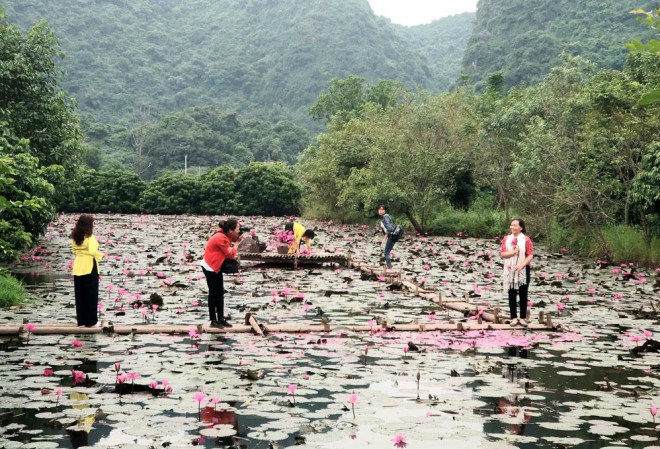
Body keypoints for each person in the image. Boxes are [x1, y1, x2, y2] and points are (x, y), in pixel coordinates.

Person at [201, 219, 243, 328]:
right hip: (210, 266)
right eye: (237, 229)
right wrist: (237, 243)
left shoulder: (225, 234)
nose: (239, 231)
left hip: (216, 266)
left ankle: (221, 318)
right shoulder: (220, 238)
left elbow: (231, 239)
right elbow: (230, 254)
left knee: (220, 292)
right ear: (230, 230)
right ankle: (213, 320)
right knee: (213, 293)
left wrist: (238, 236)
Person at [70, 214, 104, 327]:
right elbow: (92, 251)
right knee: (91, 294)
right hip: (89, 265)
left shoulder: (74, 236)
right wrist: (102, 255)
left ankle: (81, 321)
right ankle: (91, 322)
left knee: (80, 294)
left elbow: (74, 251)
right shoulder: (90, 237)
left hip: (78, 265)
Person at [500, 218, 534, 326]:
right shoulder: (506, 239)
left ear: (521, 227)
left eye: (515, 225)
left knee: (523, 293)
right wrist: (513, 252)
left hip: (523, 269)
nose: (512, 227)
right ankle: (513, 318)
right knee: (512, 293)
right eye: (511, 225)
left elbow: (530, 254)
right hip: (510, 269)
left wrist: (522, 264)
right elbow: (503, 254)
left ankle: (523, 318)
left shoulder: (526, 239)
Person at [377, 205, 397, 270]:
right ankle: (390, 268)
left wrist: (384, 238)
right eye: (379, 209)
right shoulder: (383, 217)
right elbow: (386, 227)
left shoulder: (385, 217)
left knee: (386, 253)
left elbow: (389, 228)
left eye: (382, 209)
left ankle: (390, 268)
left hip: (391, 236)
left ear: (384, 211)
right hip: (393, 236)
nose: (380, 211)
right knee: (387, 252)